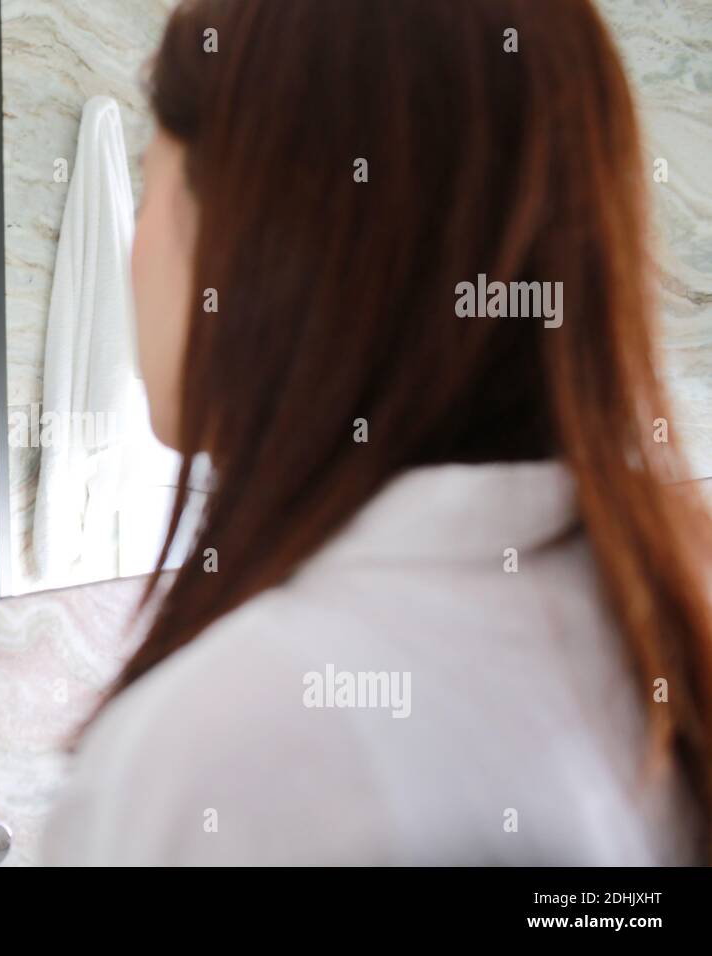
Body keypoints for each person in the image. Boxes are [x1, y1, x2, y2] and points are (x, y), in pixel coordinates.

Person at [41, 0, 712, 865]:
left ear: (261, 241)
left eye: (152, 177)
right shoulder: (657, 610)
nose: (133, 254)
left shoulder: (233, 750)